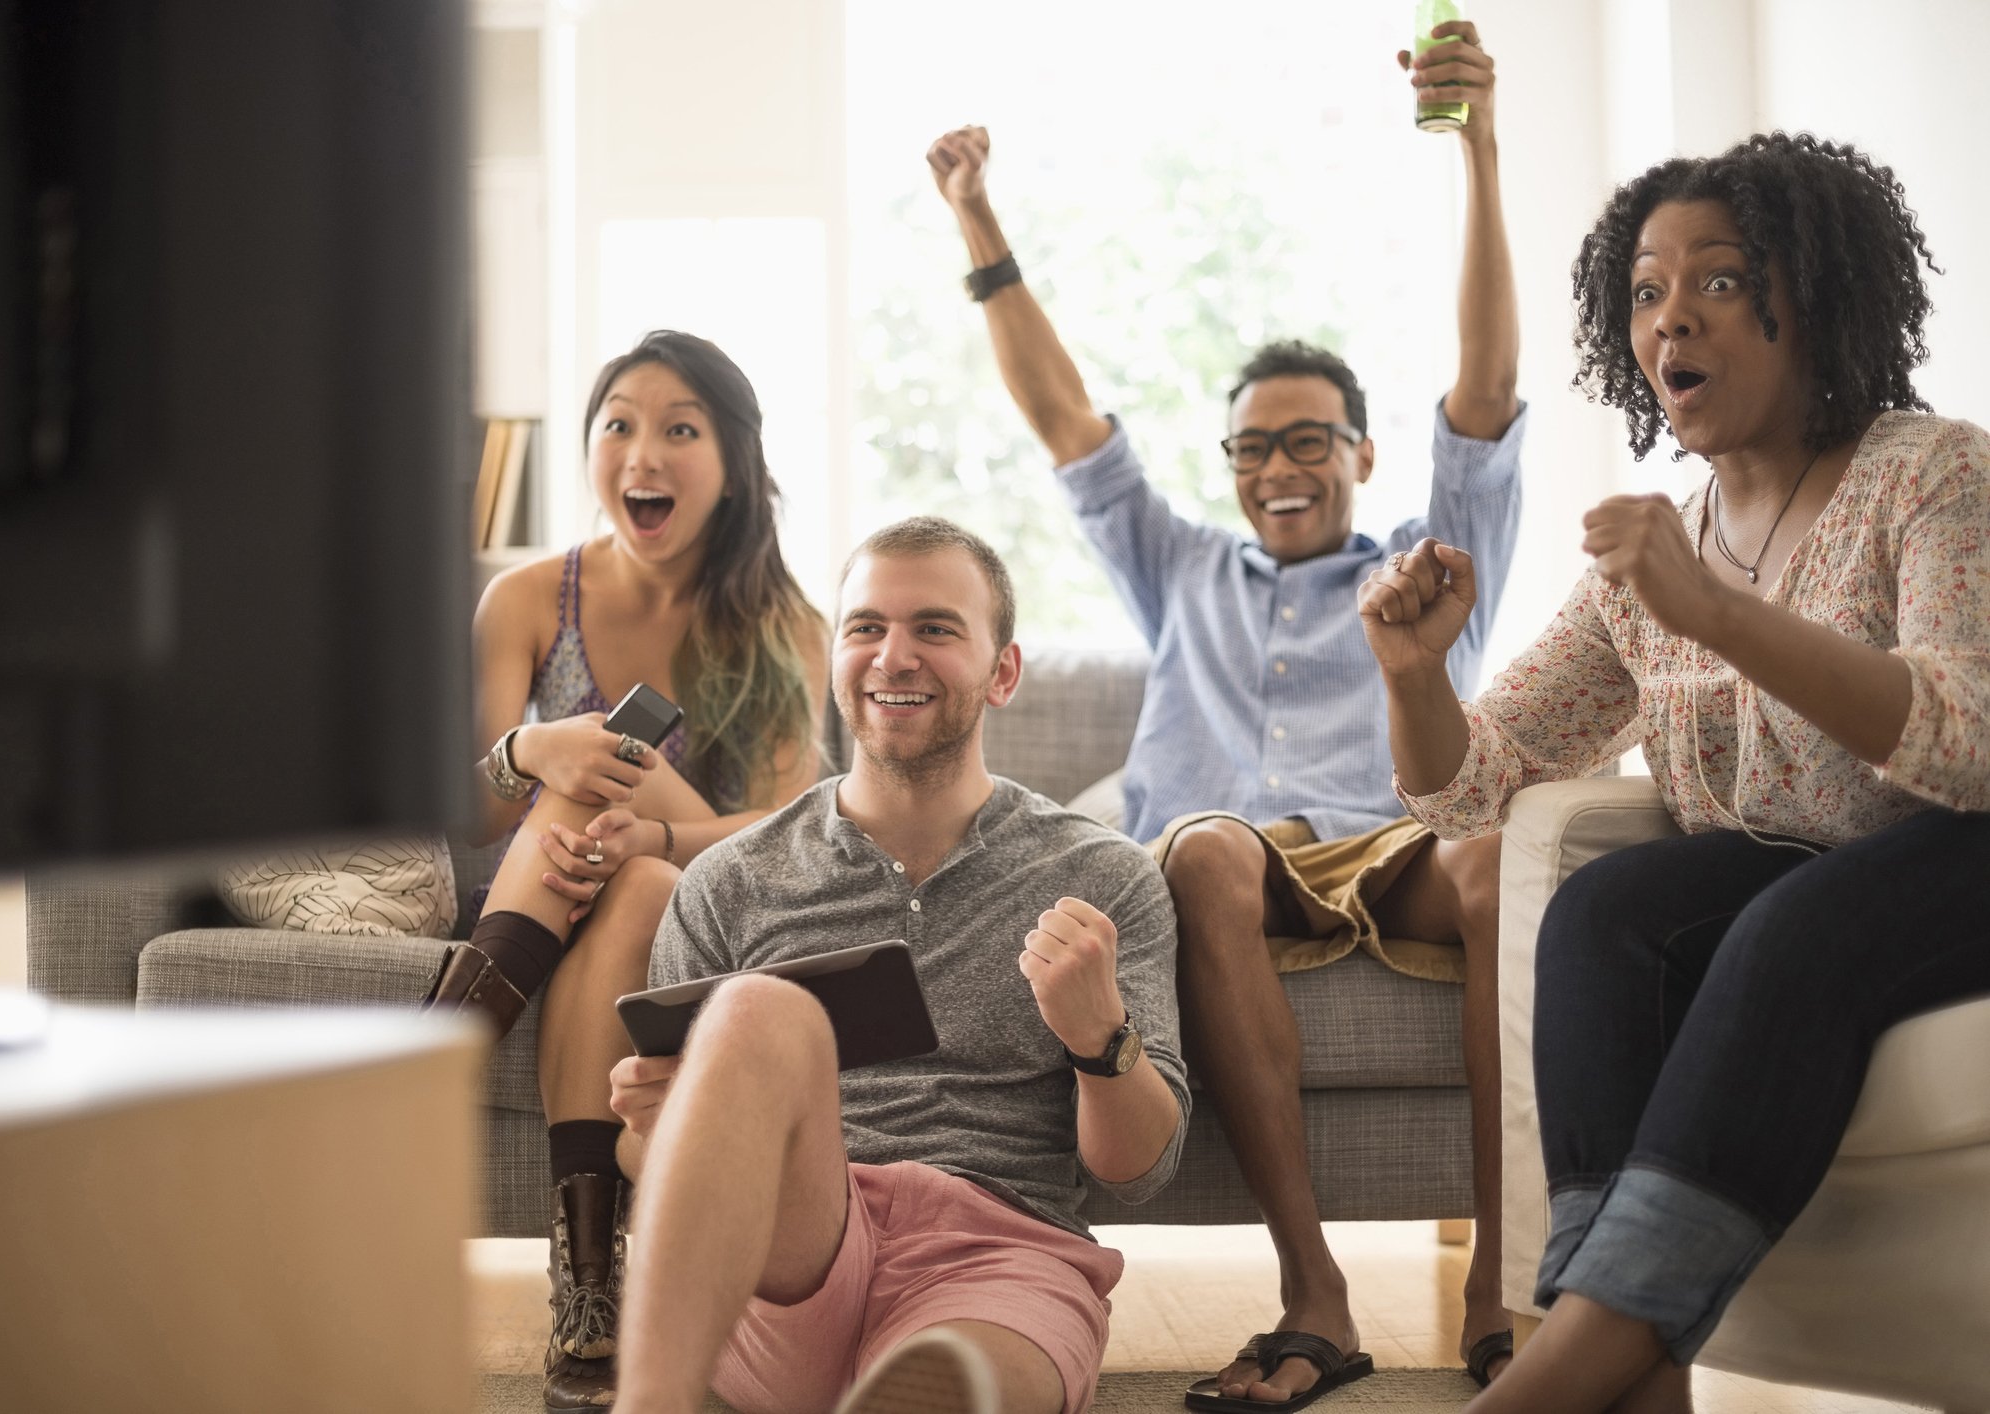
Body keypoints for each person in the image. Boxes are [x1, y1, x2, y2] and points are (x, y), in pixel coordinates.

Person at [928, 21, 1523, 1405]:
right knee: (1198, 847)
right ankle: (1312, 1294)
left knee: (1500, 859)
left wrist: (1477, 149)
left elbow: (1484, 389)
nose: (1275, 467)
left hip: (1389, 841)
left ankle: (1499, 1280)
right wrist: (975, 219)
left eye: (1306, 439)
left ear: (1361, 455)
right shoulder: (1181, 565)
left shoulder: (1432, 562)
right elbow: (1063, 415)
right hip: (1230, 861)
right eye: (1250, 445)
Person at [1360, 132, 1990, 1414]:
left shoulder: (1929, 472)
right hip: (1805, 875)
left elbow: (1964, 740)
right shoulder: (1655, 554)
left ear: (1808, 296)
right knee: (1607, 909)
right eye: (1644, 292)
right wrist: (1412, 673)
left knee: (1796, 921)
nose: (1670, 319)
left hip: (1962, 850)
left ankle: (1561, 1371)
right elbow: (1470, 792)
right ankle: (1638, 1385)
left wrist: (1712, 612)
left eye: (1714, 277)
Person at [600, 516, 1189, 1414]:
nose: (893, 656)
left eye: (935, 629)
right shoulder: (729, 879)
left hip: (1000, 1257)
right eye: (866, 628)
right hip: (792, 1245)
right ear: (833, 659)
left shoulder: (1103, 876)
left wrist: (1097, 1037)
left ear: (1003, 672)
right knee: (762, 1010)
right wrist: (662, 1125)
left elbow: (1136, 1172)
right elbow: (647, 1159)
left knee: (956, 1380)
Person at [425, 330, 828, 1408]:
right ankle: (589, 1285)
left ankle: (433, 1057)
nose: (642, 453)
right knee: (587, 773)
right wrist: (530, 750)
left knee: (622, 791)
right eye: (619, 425)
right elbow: (460, 813)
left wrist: (644, 827)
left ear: (733, 462)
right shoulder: (523, 600)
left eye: (679, 429)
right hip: (548, 888)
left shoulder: (789, 625)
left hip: (711, 901)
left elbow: (791, 831)